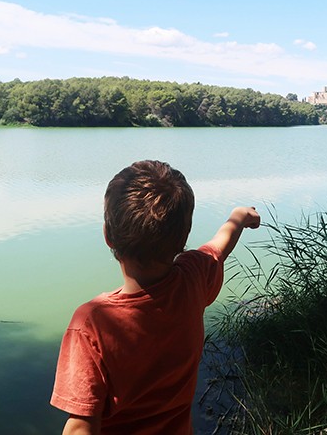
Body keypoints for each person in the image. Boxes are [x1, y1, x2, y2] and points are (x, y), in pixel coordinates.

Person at [50, 159, 260, 435]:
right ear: (184, 236)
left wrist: (238, 219)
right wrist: (239, 217)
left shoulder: (91, 324)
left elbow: (81, 427)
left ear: (108, 236)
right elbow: (220, 246)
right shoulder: (192, 279)